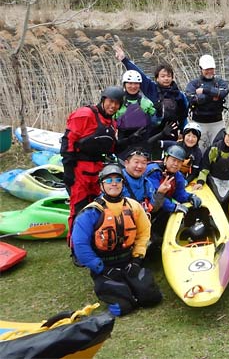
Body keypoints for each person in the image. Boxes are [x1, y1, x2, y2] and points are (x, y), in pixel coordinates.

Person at [71, 164, 162, 317]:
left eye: (118, 179)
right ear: (102, 185)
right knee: (123, 307)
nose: (114, 183)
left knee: (152, 298)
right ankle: (118, 289)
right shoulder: (91, 212)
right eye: (109, 180)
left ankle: (133, 286)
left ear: (122, 183)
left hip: (128, 262)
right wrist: (101, 268)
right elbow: (80, 246)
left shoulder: (133, 206)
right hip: (105, 266)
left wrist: (137, 259)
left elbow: (144, 233)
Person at [61, 86, 122, 237]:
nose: (113, 106)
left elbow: (111, 148)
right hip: (79, 170)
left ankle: (95, 243)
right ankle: (76, 248)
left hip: (98, 171)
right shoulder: (85, 114)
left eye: (117, 104)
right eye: (110, 102)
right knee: (79, 209)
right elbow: (68, 141)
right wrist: (68, 170)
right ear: (103, 100)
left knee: (97, 208)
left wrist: (133, 140)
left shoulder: (111, 123)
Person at [113, 45, 188, 154]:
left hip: (171, 132)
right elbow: (140, 75)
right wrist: (124, 60)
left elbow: (183, 116)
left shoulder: (179, 95)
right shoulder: (152, 89)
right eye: (163, 76)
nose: (166, 79)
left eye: (168, 76)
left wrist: (184, 132)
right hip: (152, 134)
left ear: (172, 78)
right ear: (157, 78)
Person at [145, 145, 203, 243]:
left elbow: (180, 194)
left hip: (161, 206)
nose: (176, 164)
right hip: (148, 207)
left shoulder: (178, 175)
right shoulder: (153, 171)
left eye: (179, 161)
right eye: (173, 160)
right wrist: (173, 207)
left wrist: (190, 197)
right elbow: (154, 196)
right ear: (166, 158)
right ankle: (151, 237)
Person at [185, 54, 229, 150]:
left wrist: (205, 90)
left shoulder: (220, 82)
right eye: (206, 69)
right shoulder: (193, 83)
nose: (209, 72)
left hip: (217, 122)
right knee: (200, 150)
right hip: (199, 122)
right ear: (201, 69)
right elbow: (192, 99)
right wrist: (213, 96)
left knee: (218, 149)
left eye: (211, 69)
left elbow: (223, 93)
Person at [113, 70, 157, 158]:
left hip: (142, 143)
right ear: (124, 84)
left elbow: (156, 121)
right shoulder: (117, 102)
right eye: (130, 83)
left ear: (140, 85)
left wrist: (159, 112)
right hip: (124, 143)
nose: (133, 86)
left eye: (136, 83)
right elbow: (110, 121)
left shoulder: (146, 102)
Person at [120, 148, 162, 214]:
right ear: (126, 163)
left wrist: (161, 193)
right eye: (136, 162)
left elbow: (154, 208)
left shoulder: (146, 183)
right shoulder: (116, 182)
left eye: (143, 163)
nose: (140, 166)